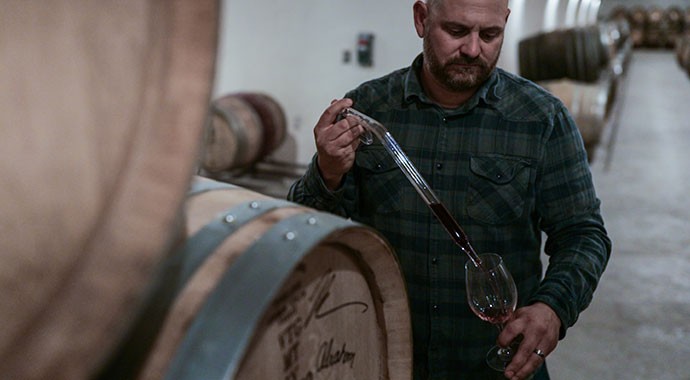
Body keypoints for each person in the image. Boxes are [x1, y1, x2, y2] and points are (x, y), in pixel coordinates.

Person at [287, 0, 612, 379]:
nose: (473, 50)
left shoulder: (541, 119)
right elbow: (307, 227)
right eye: (456, 31)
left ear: (505, 22)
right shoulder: (369, 110)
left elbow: (583, 234)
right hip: (385, 361)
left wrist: (552, 308)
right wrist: (327, 173)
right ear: (422, 18)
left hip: (493, 366)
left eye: (490, 34)